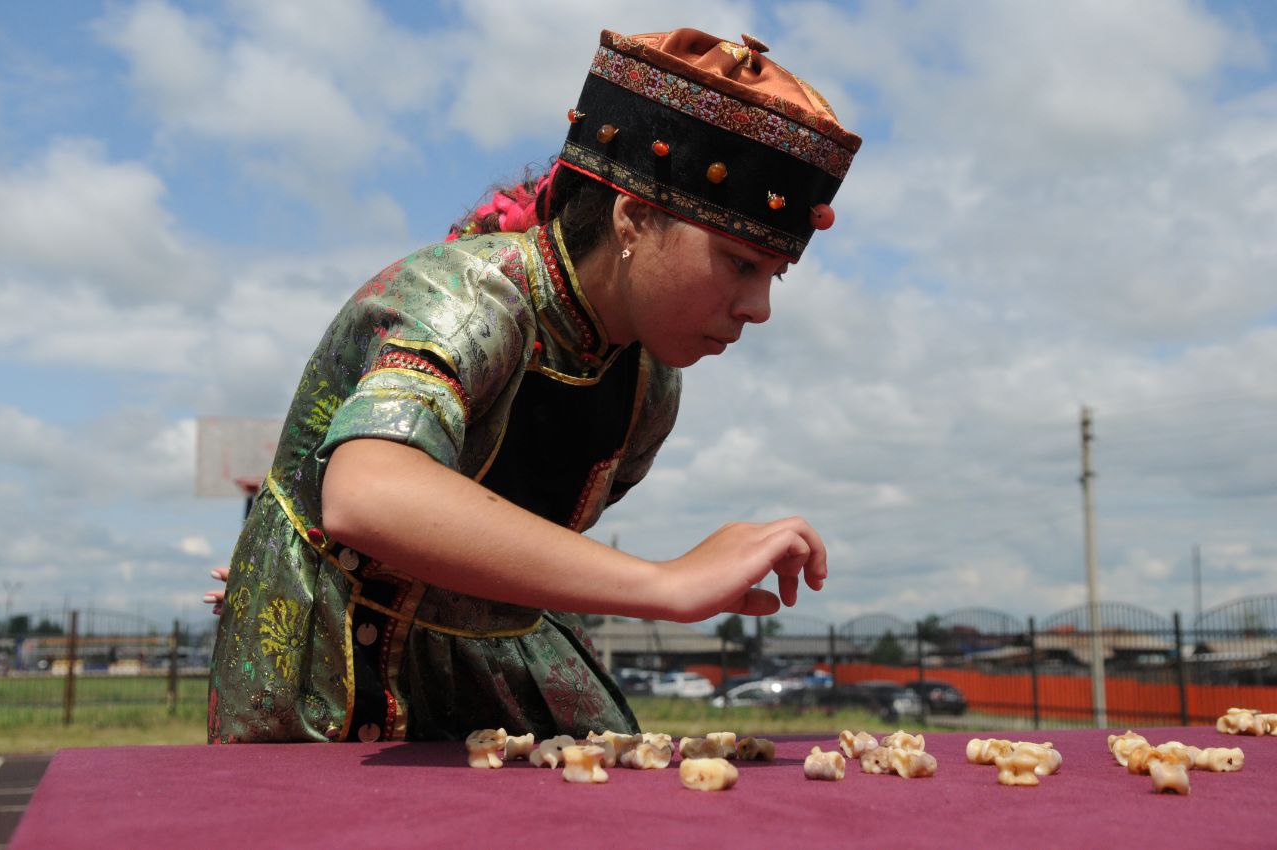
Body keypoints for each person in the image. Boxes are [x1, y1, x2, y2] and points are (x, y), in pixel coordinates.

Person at [206, 27, 861, 744]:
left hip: (487, 669)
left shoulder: (650, 385)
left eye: (773, 277)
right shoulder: (469, 297)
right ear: (634, 218)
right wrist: (667, 585)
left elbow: (506, 547)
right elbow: (367, 497)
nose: (759, 309)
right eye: (741, 264)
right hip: (338, 683)